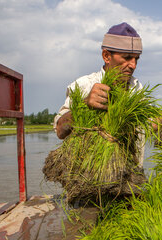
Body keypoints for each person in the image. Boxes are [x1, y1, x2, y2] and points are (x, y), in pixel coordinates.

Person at [54, 22, 145, 164]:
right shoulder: (84, 85)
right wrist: (84, 105)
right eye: (127, 58)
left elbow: (149, 126)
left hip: (131, 180)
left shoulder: (136, 88)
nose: (133, 65)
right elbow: (60, 130)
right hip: (88, 180)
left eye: (136, 59)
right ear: (106, 56)